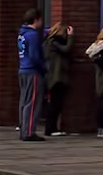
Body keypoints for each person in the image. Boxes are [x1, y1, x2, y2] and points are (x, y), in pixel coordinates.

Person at [16, 9, 45, 141]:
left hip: (23, 69)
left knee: (24, 101)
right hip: (32, 71)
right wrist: (44, 68)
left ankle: (24, 129)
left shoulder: (22, 34)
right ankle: (29, 132)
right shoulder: (33, 35)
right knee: (32, 102)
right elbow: (34, 56)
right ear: (36, 19)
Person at [42, 22, 74, 136]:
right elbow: (66, 49)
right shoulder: (54, 42)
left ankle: (53, 127)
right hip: (56, 77)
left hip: (53, 76)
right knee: (55, 103)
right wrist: (71, 37)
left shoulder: (48, 42)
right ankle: (50, 128)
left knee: (55, 103)